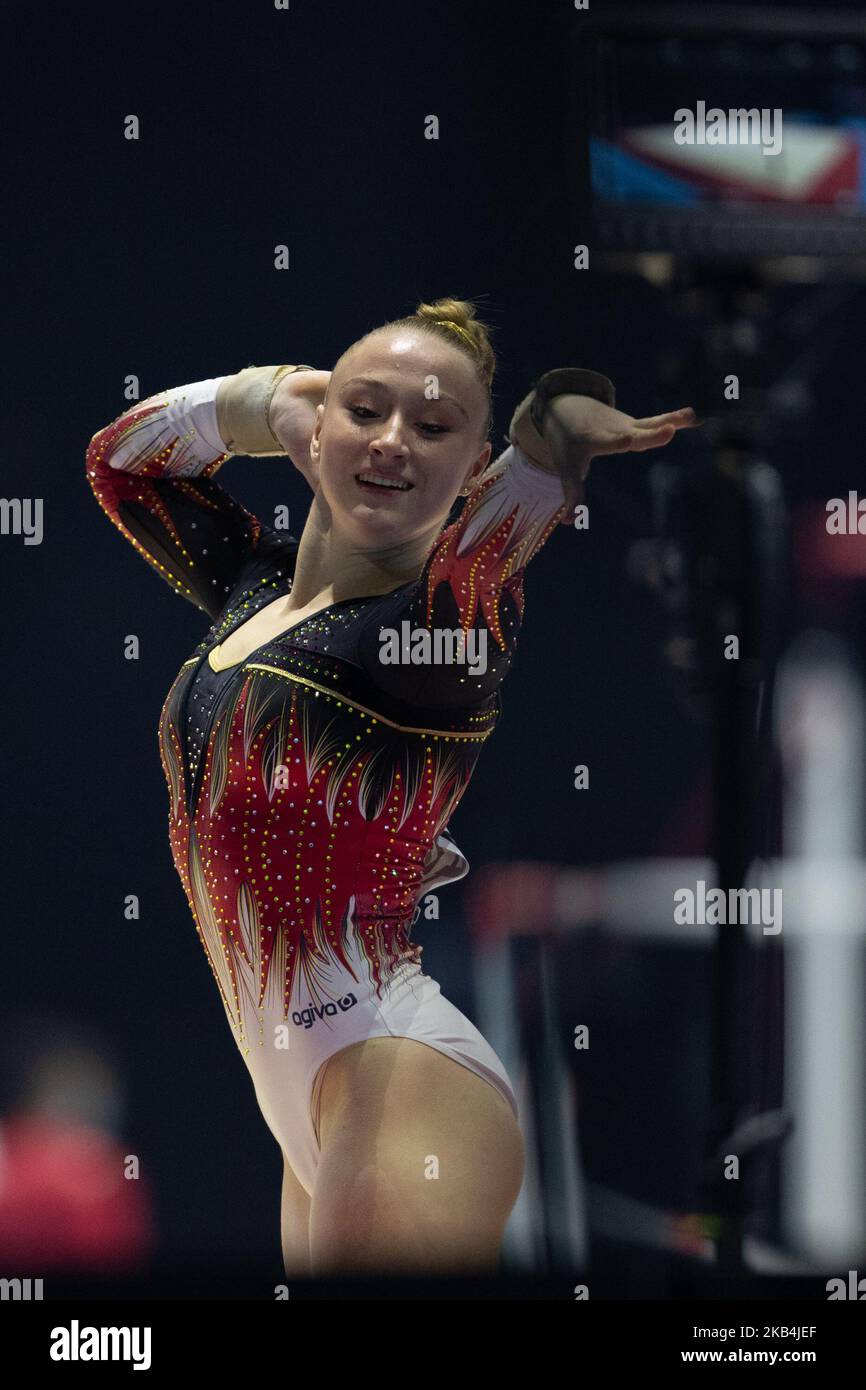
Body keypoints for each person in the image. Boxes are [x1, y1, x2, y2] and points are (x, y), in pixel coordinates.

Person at [86, 297, 696, 1275]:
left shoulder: (434, 628)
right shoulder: (255, 589)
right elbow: (121, 463)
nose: (395, 443)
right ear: (320, 425)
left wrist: (543, 449)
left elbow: (489, 548)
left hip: (400, 1077)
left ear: (469, 468)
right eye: (368, 410)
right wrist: (271, 398)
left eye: (435, 426)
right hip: (308, 1105)